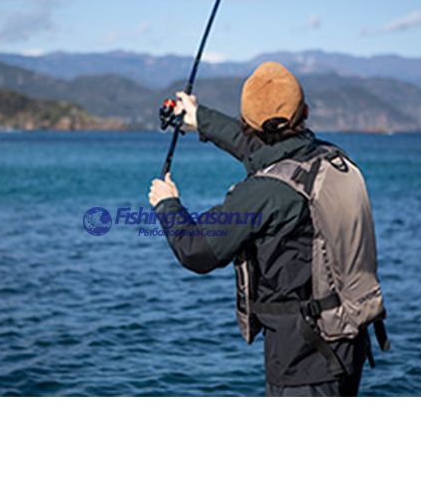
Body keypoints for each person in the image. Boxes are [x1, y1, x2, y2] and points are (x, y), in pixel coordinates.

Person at [148, 61, 386, 397]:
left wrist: (167, 204)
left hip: (303, 360)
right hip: (349, 341)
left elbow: (196, 250)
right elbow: (263, 150)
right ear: (304, 112)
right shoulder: (327, 158)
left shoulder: (266, 192)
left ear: (247, 122)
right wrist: (199, 117)